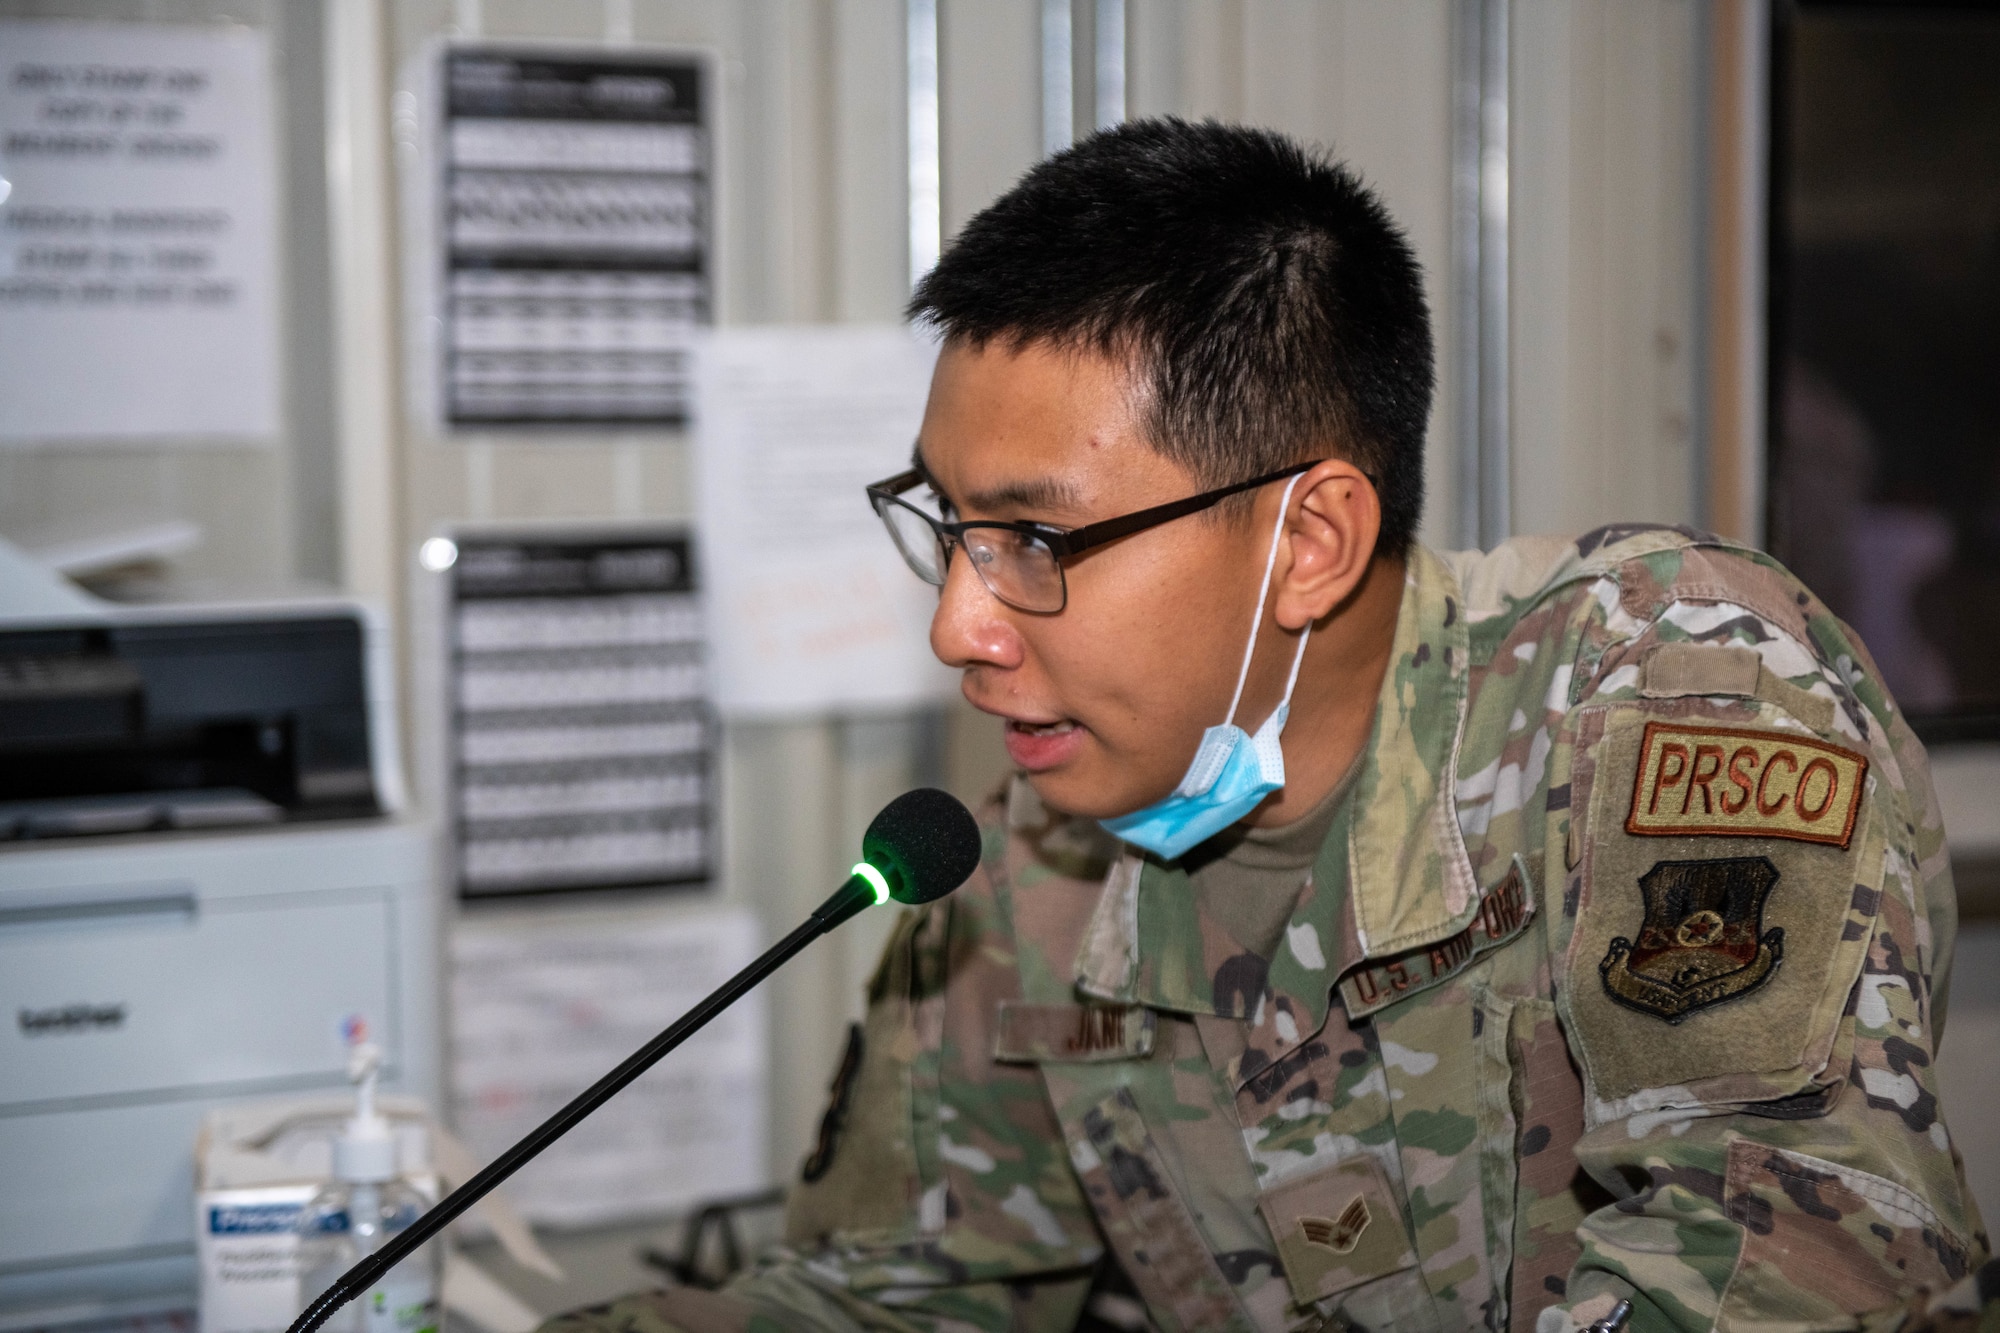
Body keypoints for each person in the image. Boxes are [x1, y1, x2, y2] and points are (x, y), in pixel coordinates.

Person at [545, 119, 1986, 1332]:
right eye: (951, 526)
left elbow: (1793, 1239)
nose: (958, 627)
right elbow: (897, 1294)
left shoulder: (1664, 686)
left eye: (1037, 540)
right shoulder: (1030, 861)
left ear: (1307, 540)